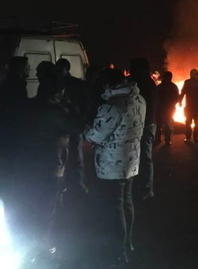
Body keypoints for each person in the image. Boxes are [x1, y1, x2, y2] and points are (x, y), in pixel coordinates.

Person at [6, 62, 77, 266]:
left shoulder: (27, 105)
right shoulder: (58, 112)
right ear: (58, 93)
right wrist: (70, 105)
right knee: (46, 211)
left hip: (25, 167)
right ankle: (41, 253)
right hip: (49, 169)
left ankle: (24, 246)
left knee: (26, 207)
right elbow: (78, 127)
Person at [84, 68, 146, 267]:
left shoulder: (112, 106)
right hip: (132, 160)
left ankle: (118, 252)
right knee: (126, 202)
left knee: (114, 207)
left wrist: (86, 128)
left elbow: (94, 136)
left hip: (112, 164)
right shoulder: (139, 100)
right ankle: (127, 243)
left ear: (108, 85)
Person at [56, 58, 89, 194]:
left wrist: (81, 120)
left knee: (76, 156)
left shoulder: (76, 84)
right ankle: (64, 185)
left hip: (74, 123)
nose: (57, 71)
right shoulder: (56, 83)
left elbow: (85, 103)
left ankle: (78, 183)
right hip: (62, 124)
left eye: (59, 69)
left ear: (65, 69)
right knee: (61, 156)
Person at [129, 58, 158, 200]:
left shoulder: (146, 84)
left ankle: (147, 188)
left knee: (145, 156)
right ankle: (141, 184)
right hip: (142, 124)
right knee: (138, 155)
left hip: (146, 125)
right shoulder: (145, 83)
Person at [179, 69, 198, 143]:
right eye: (191, 74)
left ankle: (195, 137)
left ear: (197, 74)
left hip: (197, 106)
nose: (192, 75)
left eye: (193, 74)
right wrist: (180, 101)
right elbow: (183, 92)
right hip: (189, 105)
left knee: (196, 122)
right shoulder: (188, 82)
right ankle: (188, 137)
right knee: (188, 121)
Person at [156, 71, 179, 146]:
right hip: (167, 108)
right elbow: (176, 98)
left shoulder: (160, 86)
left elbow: (176, 98)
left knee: (162, 124)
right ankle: (165, 139)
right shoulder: (173, 86)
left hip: (163, 108)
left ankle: (160, 139)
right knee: (165, 124)